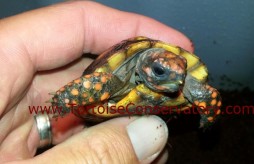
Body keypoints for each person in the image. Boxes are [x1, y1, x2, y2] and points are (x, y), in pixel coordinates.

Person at [0, 1, 193, 163]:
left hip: (149, 110)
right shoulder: (113, 81)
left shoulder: (178, 83)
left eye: (181, 71)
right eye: (159, 71)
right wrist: (64, 100)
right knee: (101, 85)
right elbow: (91, 84)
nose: (176, 80)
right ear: (144, 66)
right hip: (104, 110)